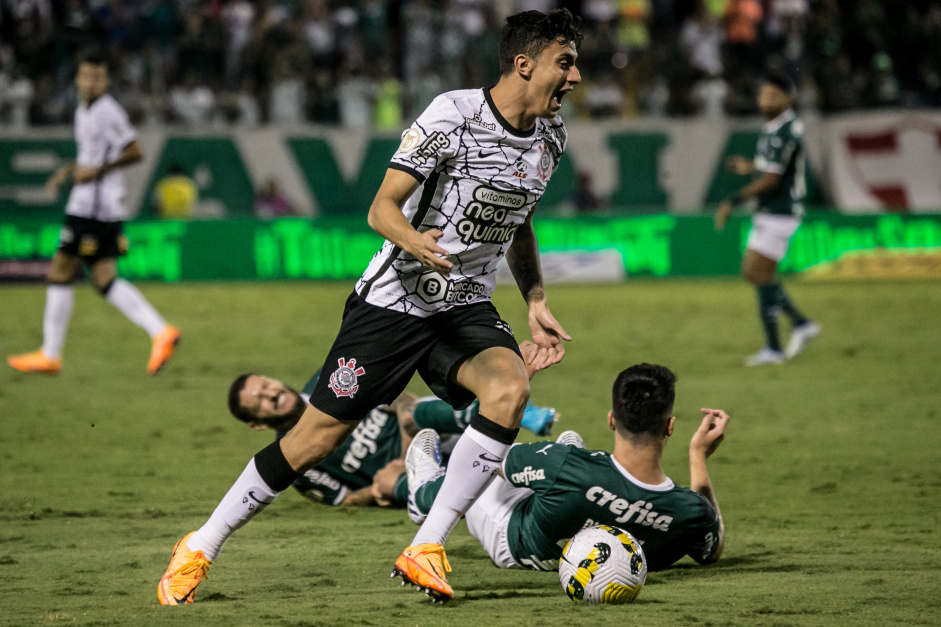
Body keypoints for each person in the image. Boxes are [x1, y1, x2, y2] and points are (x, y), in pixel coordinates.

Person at [157, 9, 581, 605]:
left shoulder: (551, 139)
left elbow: (521, 222)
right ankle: (200, 545)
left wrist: (535, 298)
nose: (576, 77)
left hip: (463, 306)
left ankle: (425, 548)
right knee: (313, 443)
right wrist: (416, 243)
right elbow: (381, 209)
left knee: (509, 391)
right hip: (396, 301)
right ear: (524, 64)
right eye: (565, 63)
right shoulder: (452, 115)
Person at [405, 363, 727, 574]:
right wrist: (698, 455)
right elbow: (711, 548)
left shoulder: (566, 466)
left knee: (495, 459)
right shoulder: (690, 512)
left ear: (612, 420)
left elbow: (486, 459)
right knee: (563, 455)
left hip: (514, 539)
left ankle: (422, 496)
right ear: (669, 427)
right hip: (569, 529)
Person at [8, 54, 180, 377]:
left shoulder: (108, 111)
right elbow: (92, 154)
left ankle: (50, 354)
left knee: (60, 271)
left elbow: (134, 150)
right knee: (104, 280)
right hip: (96, 205)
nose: (91, 83)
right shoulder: (82, 110)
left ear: (106, 81)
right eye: (86, 76)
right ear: (77, 79)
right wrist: (69, 170)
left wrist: (95, 172)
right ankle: (161, 332)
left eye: (97, 78)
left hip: (93, 208)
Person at [227, 346, 559, 509]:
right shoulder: (290, 458)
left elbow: (397, 397)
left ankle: (514, 410)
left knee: (415, 414)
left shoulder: (326, 380)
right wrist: (374, 490)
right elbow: (343, 499)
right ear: (256, 423)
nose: (271, 393)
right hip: (406, 477)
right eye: (259, 400)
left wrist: (405, 445)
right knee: (507, 476)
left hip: (424, 433)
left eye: (266, 385)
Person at [714, 71, 820, 367]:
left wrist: (734, 200)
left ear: (788, 98)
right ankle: (798, 325)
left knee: (756, 273)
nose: (766, 100)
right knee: (757, 275)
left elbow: (773, 178)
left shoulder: (785, 130)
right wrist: (750, 165)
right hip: (773, 211)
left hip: (781, 210)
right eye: (763, 94)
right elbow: (772, 165)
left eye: (773, 95)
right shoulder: (776, 127)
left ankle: (779, 344)